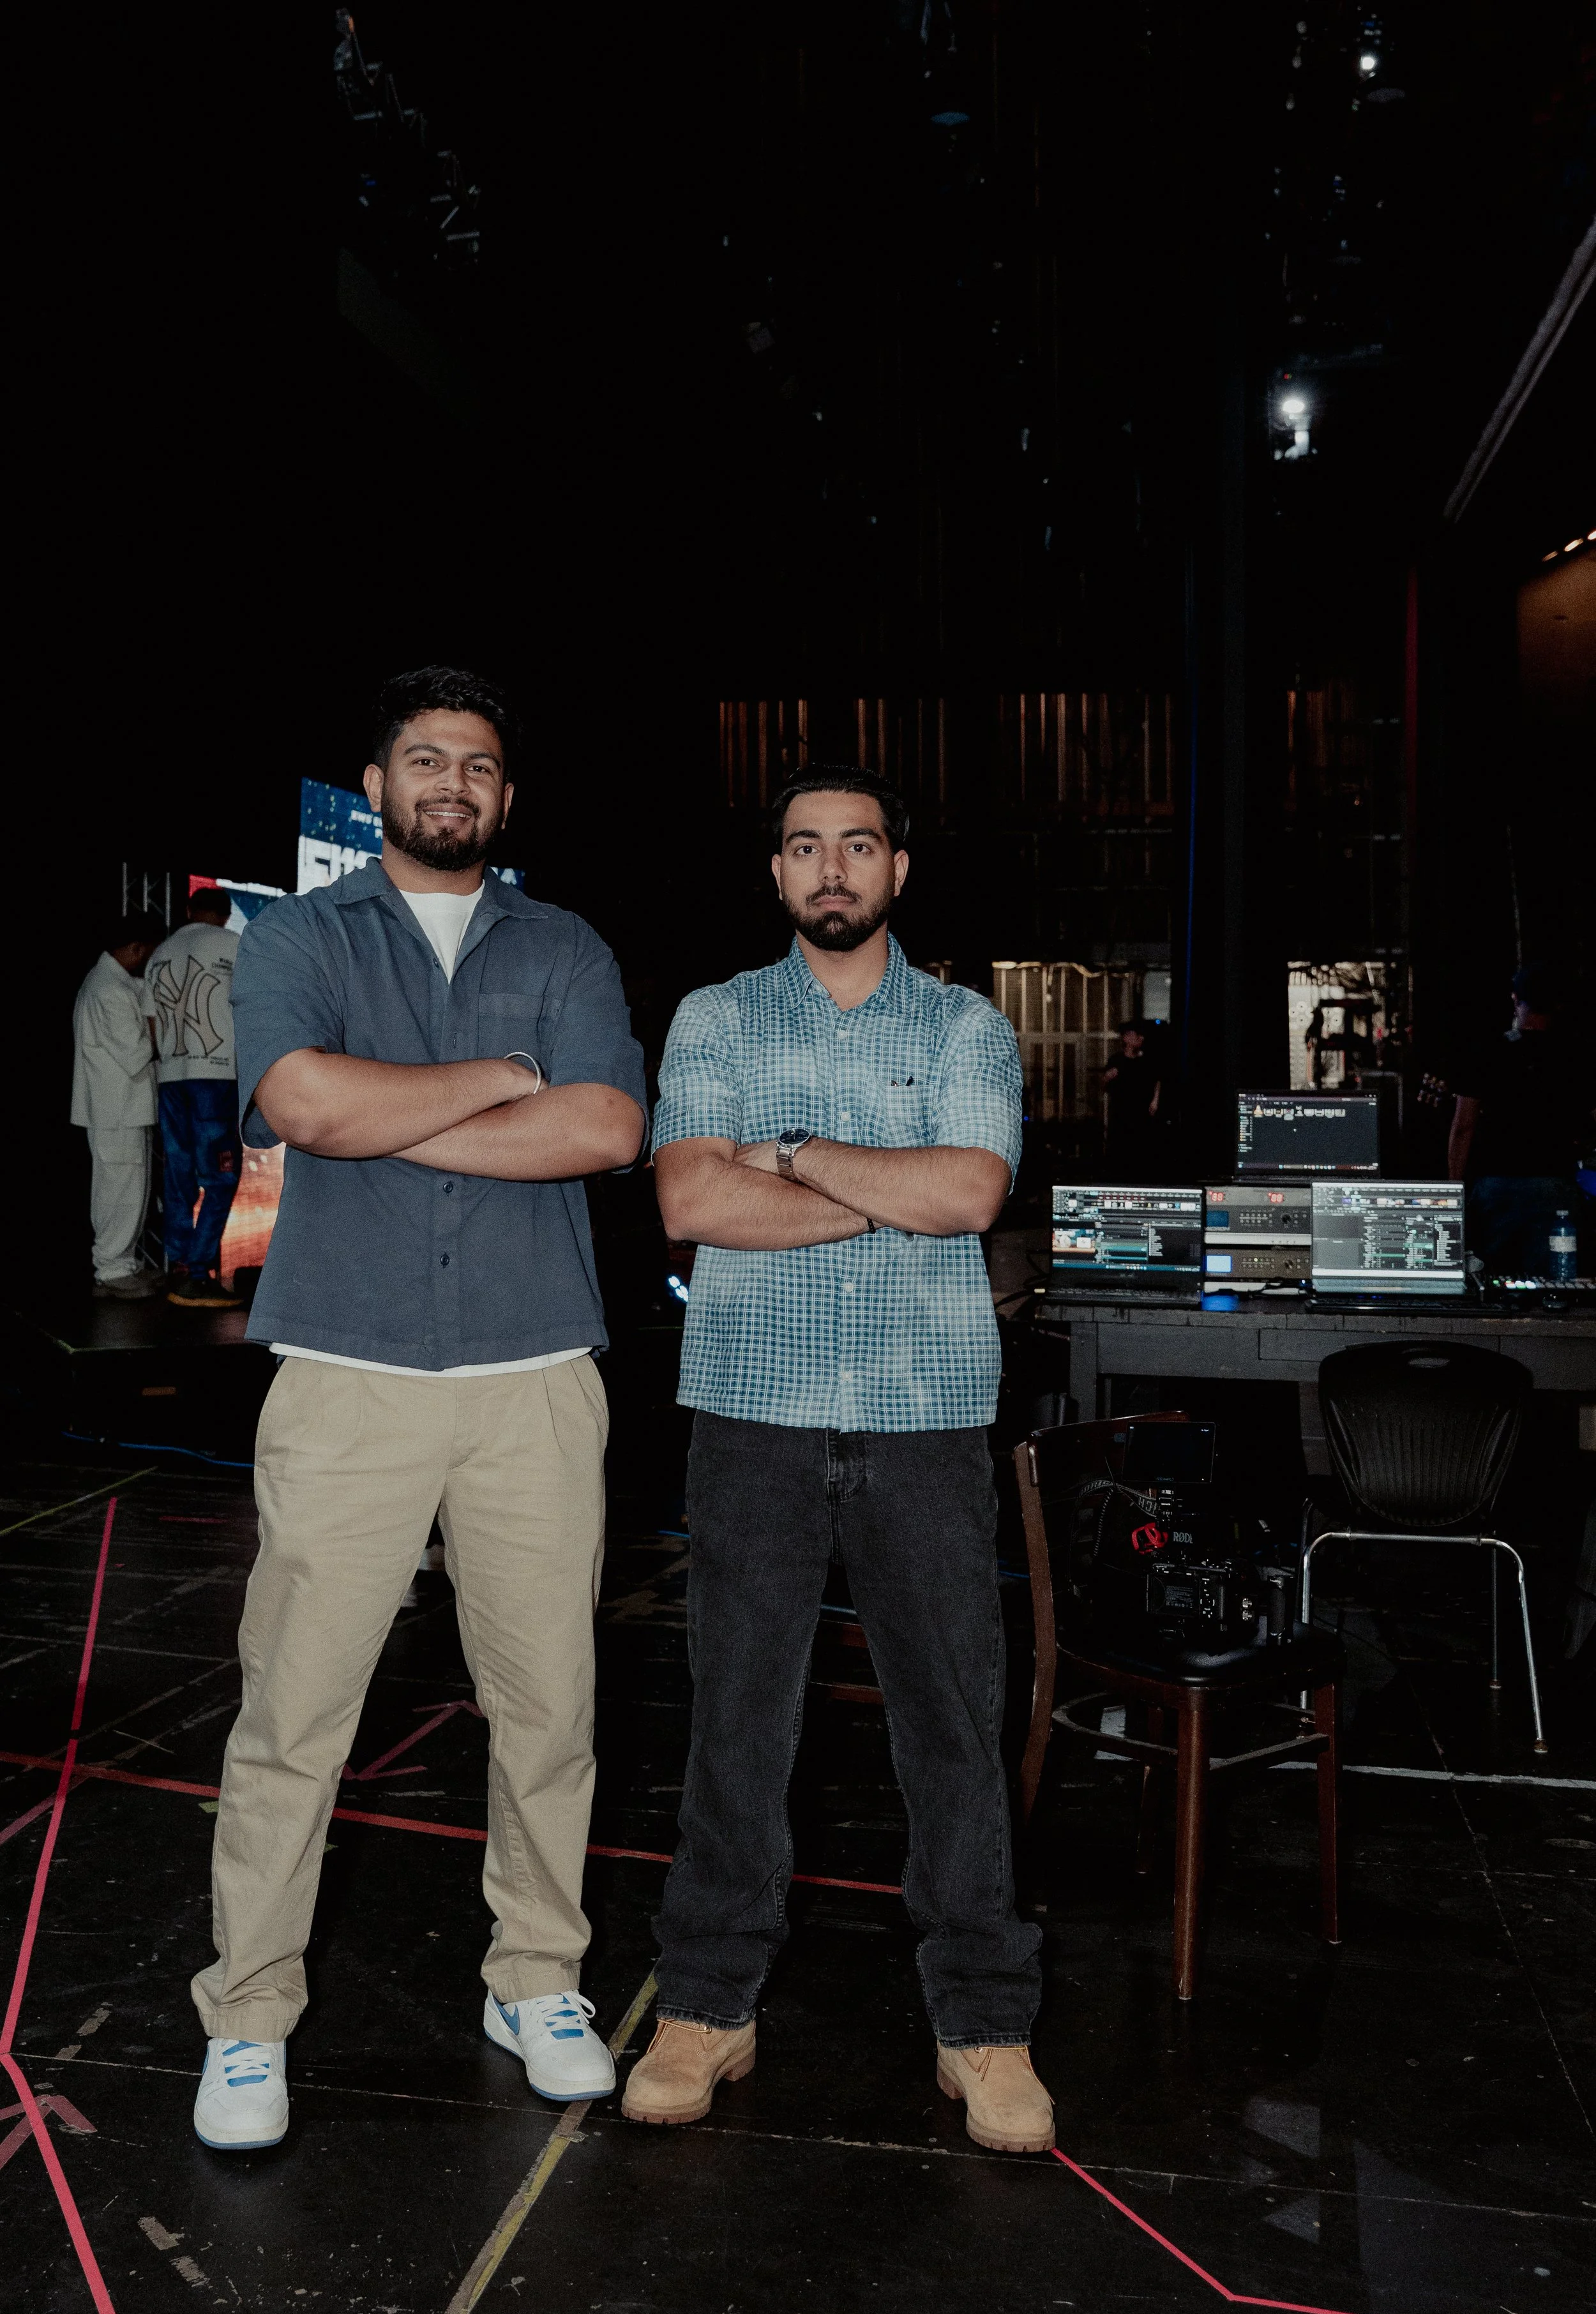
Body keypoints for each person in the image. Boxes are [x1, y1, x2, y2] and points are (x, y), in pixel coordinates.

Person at [189, 665, 647, 2151]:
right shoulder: (300, 933)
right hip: (348, 1372)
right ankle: (248, 2015)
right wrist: (497, 1078)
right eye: (425, 758)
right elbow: (305, 1106)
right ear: (379, 786)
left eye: (480, 764)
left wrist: (407, 1101)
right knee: (294, 1714)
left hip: (532, 1378)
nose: (453, 780)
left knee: (549, 1708)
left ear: (506, 799)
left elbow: (603, 1126)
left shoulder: (565, 941)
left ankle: (539, 1977)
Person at [626, 763, 1050, 2154]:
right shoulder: (712, 1016)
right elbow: (691, 1199)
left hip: (927, 1418)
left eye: (854, 847)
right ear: (776, 874)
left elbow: (969, 1193)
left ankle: (982, 2022)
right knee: (736, 1719)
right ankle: (705, 2000)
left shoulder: (969, 1027)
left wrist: (795, 1152)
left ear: (895, 870)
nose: (829, 870)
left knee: (951, 1724)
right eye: (803, 848)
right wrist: (887, 1191)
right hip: (751, 1412)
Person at [1449, 962, 1595, 1277]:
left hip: (1496, 1186)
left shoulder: (1487, 1051)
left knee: (1495, 1279)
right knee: (1557, 1281)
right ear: (1557, 1004)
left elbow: (1463, 1128)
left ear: (1515, 999)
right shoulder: (1577, 1055)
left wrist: (1454, 1190)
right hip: (1557, 1186)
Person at [144, 883, 244, 1306]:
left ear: (189, 909)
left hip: (170, 1076)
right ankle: (199, 1273)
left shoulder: (158, 954)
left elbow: (151, 1026)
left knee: (179, 1176)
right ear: (224, 915)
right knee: (221, 1177)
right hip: (216, 1076)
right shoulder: (236, 944)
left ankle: (180, 1266)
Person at [70, 910, 167, 1298]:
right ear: (135, 948)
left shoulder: (112, 983)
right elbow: (139, 1051)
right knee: (119, 1190)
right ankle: (111, 1270)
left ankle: (121, 1264)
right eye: (149, 952)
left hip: (122, 1108)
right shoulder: (108, 989)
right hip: (116, 1109)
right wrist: (155, 1018)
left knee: (129, 1188)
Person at [1101, 1017, 1163, 1178]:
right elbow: (1103, 1085)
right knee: (1120, 1155)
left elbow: (1157, 1080)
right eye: (1137, 1035)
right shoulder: (1116, 1060)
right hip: (1121, 1117)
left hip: (1142, 1117)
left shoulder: (1146, 1061)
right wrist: (1108, 1077)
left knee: (1141, 1156)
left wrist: (1155, 1100)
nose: (1141, 1039)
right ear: (1127, 1038)